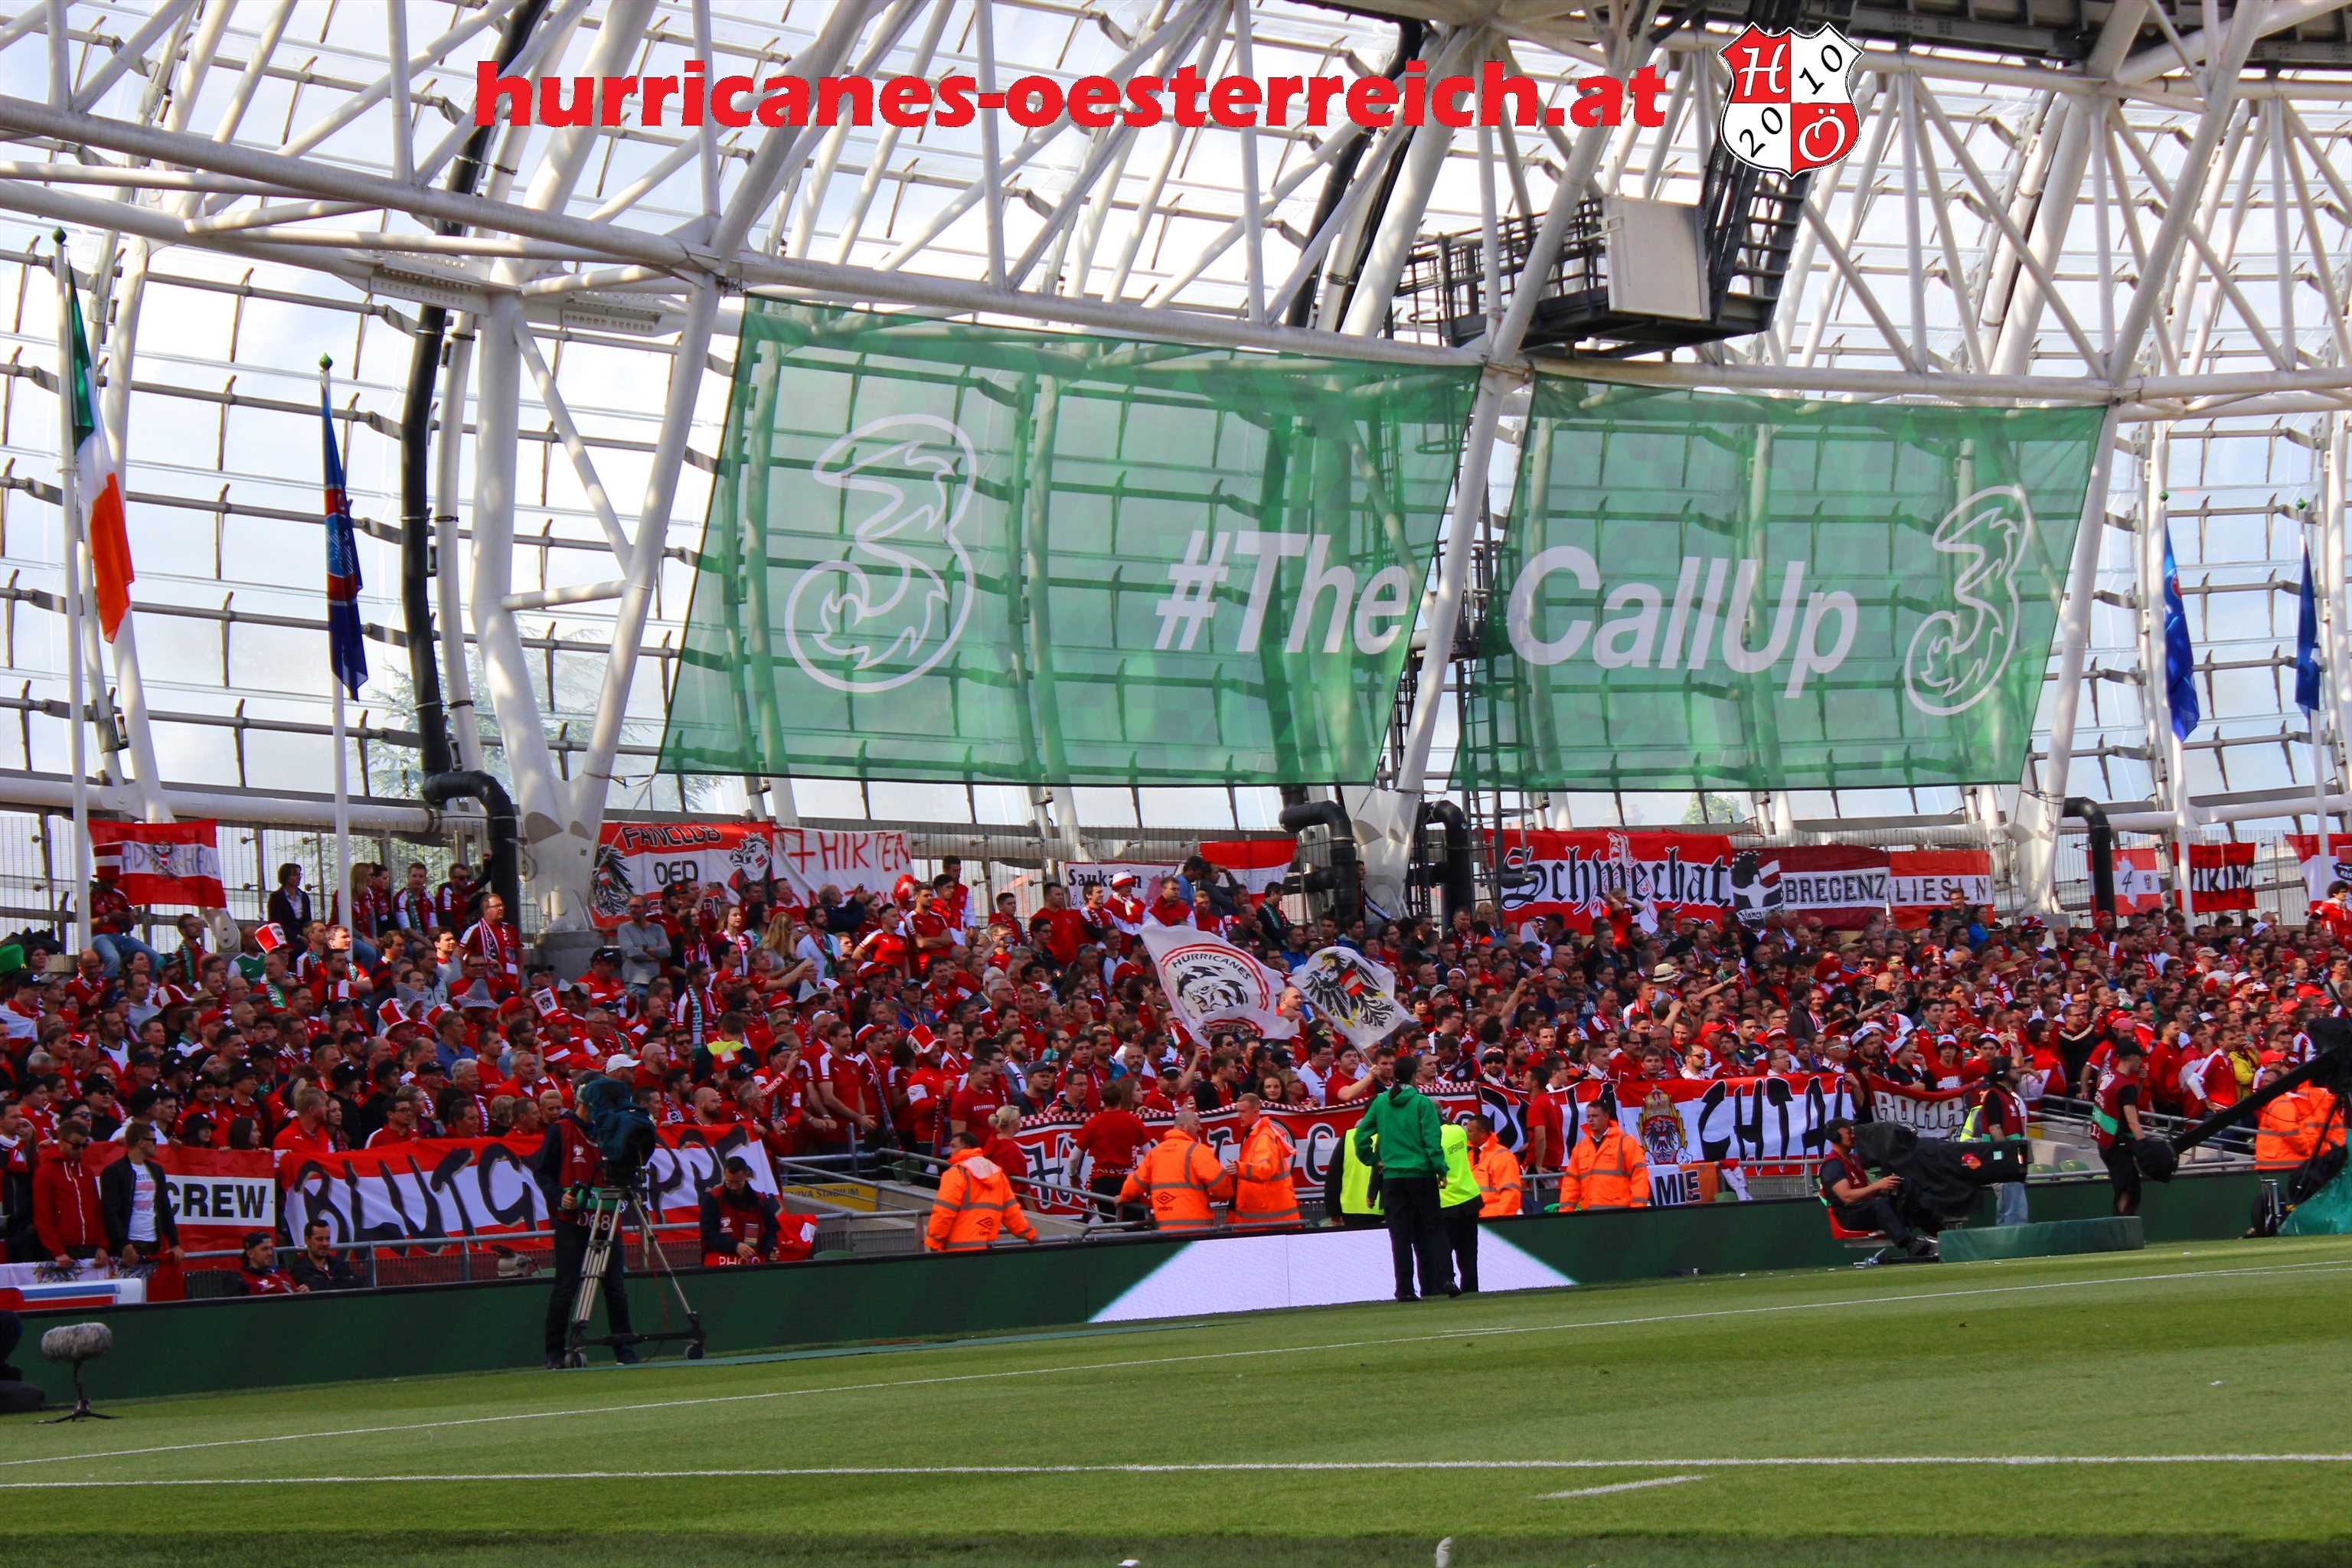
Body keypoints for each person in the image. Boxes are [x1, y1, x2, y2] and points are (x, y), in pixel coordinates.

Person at [530, 1055, 641, 1369]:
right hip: (572, 1219)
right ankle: (554, 1351)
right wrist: (559, 1196)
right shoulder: (561, 1129)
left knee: (615, 1285)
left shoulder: (610, 1129)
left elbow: (628, 1166)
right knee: (566, 1286)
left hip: (606, 1216)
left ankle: (623, 1346)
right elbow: (542, 1171)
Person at [1351, 1052, 1453, 1301]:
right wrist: (1440, 1169)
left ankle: (1405, 1289)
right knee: (1434, 1229)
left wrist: (1373, 1160)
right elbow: (1432, 1141)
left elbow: (1360, 1136)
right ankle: (1446, 1279)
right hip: (1421, 1175)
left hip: (1393, 1178)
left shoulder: (1380, 1103)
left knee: (1400, 1235)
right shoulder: (1421, 1103)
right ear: (1415, 1076)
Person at [1818, 1117, 1934, 1260]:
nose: (1853, 1135)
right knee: (1878, 1204)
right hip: (1849, 1216)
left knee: (1905, 1197)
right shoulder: (1833, 1165)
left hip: (1865, 1208)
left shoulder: (1854, 1159)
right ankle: (1910, 1245)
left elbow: (1867, 1192)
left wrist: (1888, 1188)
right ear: (1835, 1136)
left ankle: (1942, 1234)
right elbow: (1847, 1197)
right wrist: (1878, 1185)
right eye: (1849, 1132)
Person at [1117, 1106, 1231, 1233]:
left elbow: (1135, 1183)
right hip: (1197, 1229)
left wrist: (1123, 1197)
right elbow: (1220, 1184)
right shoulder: (1198, 1151)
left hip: (1166, 1228)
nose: (1200, 1128)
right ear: (1183, 1127)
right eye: (1196, 1123)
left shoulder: (1155, 1153)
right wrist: (1226, 1195)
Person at [924, 1130, 1037, 1253]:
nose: (950, 1151)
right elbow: (1012, 1212)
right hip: (985, 1250)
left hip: (957, 1251)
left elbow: (944, 1211)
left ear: (967, 1148)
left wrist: (934, 1241)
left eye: (954, 1146)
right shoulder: (997, 1174)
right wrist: (1029, 1234)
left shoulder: (957, 1173)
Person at [98, 1120, 179, 1271]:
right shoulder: (114, 1171)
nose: (156, 1145)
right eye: (153, 1141)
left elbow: (164, 1207)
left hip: (153, 1243)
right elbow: (110, 1212)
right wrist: (124, 1244)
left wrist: (175, 1243)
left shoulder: (156, 1170)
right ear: (141, 1142)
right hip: (129, 1244)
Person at [1072, 1076, 1149, 1223]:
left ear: (1102, 1099)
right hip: (1127, 1181)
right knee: (1131, 1225)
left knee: (1105, 1225)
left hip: (1101, 1182)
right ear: (1121, 1097)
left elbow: (1074, 1157)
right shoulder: (1133, 1121)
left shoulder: (1093, 1123)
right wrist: (1144, 1178)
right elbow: (1149, 1154)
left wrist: (1072, 1175)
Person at [1965, 1057, 2031, 1226]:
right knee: (2015, 1211)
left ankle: (2005, 1238)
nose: (2017, 1071)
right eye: (2013, 1068)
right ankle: (2013, 1239)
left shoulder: (2007, 1097)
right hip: (2006, 1162)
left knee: (2009, 1209)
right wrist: (2008, 1157)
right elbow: (1995, 1129)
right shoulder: (1994, 1096)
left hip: (2014, 1159)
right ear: (2003, 1073)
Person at [1558, 1095, 1650, 1213]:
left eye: (1595, 1116)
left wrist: (1638, 1209)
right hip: (1590, 1215)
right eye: (1588, 1117)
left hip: (1620, 1214)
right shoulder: (1580, 1148)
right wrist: (1564, 1214)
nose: (1590, 1120)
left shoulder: (1625, 1142)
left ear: (1606, 1117)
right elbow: (1571, 1185)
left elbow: (1639, 1177)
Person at [31, 1116, 103, 1266]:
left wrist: (102, 1246)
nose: (81, 1150)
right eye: (76, 1145)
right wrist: (57, 1251)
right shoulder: (45, 1173)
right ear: (62, 1142)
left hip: (90, 1249)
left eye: (84, 1145)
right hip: (62, 1252)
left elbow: (97, 1210)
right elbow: (43, 1216)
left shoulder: (86, 1172)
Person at [2092, 1039, 2149, 1217]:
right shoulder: (2124, 1086)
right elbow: (2132, 1121)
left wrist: (2140, 1082)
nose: (2141, 1062)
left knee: (2125, 1187)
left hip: (2105, 1141)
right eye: (2139, 1057)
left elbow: (2129, 1100)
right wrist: (2145, 1146)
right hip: (2118, 1143)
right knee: (2128, 1190)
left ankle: (2122, 1223)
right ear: (2131, 1057)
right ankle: (2122, 1225)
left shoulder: (2108, 1076)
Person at [1229, 1092, 1299, 1228]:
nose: (1238, 1116)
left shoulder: (1263, 1138)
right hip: (1266, 1216)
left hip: (1269, 1219)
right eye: (1238, 1111)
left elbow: (1265, 1170)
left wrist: (1240, 1168)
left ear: (1256, 1112)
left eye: (1242, 1112)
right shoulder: (1256, 1135)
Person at [700, 1155, 783, 1265]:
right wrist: (735, 1246)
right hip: (720, 1261)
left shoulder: (760, 1200)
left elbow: (772, 1230)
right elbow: (708, 1234)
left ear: (746, 1176)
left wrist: (770, 1248)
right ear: (724, 1175)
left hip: (753, 1260)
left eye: (738, 1183)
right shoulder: (712, 1198)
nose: (733, 1187)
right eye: (729, 1182)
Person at [1436, 1116, 1483, 1293]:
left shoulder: (1431, 1138)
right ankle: (1471, 1290)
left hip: (1447, 1201)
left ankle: (1448, 1284)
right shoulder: (1458, 1131)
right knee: (1469, 1253)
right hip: (1470, 1197)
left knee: (1444, 1249)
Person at [1466, 1114, 1524, 1217]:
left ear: (1482, 1133)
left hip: (1493, 1217)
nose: (1467, 1134)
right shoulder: (1470, 1154)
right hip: (1476, 1217)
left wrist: (1503, 1220)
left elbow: (1510, 1193)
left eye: (1470, 1131)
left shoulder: (1502, 1156)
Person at [286, 1218, 361, 1291]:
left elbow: (357, 1283)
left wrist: (316, 1287)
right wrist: (340, 1282)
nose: (325, 1244)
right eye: (319, 1239)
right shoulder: (299, 1269)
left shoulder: (339, 1264)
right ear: (307, 1241)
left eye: (327, 1239)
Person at [231, 1230, 300, 1295]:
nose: (270, 1253)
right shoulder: (242, 1280)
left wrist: (303, 1293)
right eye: (265, 1249)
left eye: (271, 1249)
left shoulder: (283, 1274)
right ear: (250, 1254)